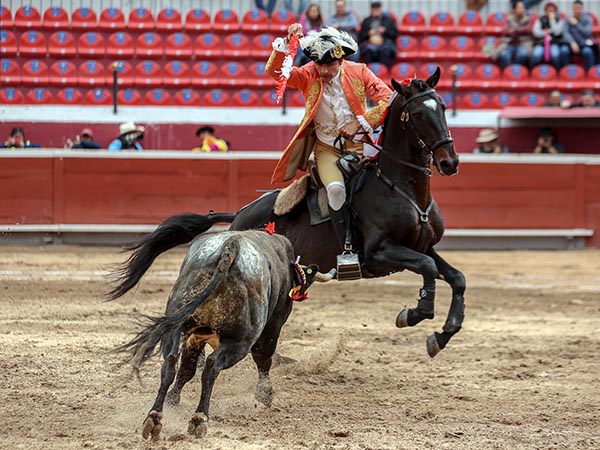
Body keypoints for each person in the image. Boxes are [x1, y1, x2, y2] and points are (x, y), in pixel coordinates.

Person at [265, 24, 392, 266]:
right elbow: (276, 73)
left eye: (329, 65)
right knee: (335, 190)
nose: (323, 70)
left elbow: (389, 99)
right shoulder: (307, 74)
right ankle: (347, 246)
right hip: (326, 149)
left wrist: (360, 123)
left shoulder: (360, 72)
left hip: (362, 145)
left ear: (341, 60)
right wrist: (286, 43)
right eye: (319, 64)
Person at [357, 1, 398, 69]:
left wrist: (385, 31)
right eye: (374, 9)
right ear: (371, 10)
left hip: (384, 43)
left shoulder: (388, 20)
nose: (376, 11)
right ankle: (367, 72)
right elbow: (361, 36)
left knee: (384, 51)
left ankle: (384, 72)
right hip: (369, 43)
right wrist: (368, 33)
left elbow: (394, 34)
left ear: (380, 9)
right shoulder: (366, 20)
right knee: (368, 50)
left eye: (377, 9)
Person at [530, 2, 570, 69]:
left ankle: (557, 71)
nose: (551, 13)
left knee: (555, 54)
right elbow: (536, 32)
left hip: (554, 43)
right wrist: (545, 33)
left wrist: (552, 20)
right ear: (545, 11)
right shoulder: (540, 19)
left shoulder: (559, 20)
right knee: (537, 54)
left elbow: (557, 32)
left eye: (553, 11)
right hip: (541, 43)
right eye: (549, 11)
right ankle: (533, 71)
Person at [496, 1, 534, 69]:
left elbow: (528, 29)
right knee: (503, 55)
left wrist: (515, 30)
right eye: (519, 8)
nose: (521, 10)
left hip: (523, 43)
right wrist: (520, 31)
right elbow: (506, 31)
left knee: (523, 54)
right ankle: (509, 72)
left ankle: (515, 71)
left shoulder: (528, 17)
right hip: (509, 43)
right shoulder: (509, 18)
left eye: (522, 8)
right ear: (514, 9)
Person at [563, 0, 597, 70]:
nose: (577, 11)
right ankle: (565, 71)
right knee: (564, 50)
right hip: (571, 45)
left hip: (584, 44)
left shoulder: (588, 19)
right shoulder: (568, 19)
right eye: (575, 9)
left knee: (588, 52)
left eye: (578, 8)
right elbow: (565, 32)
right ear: (572, 9)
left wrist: (576, 24)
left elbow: (587, 33)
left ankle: (589, 72)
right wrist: (572, 42)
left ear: (582, 9)